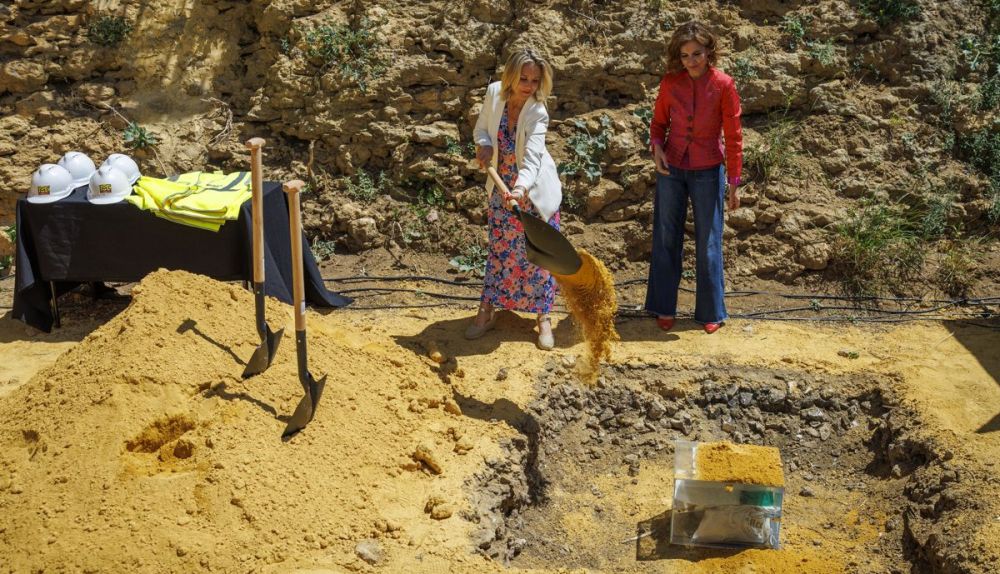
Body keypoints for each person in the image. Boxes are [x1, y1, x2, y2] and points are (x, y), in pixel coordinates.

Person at [646, 21, 743, 334]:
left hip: (708, 168)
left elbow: (734, 135)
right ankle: (663, 306)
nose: (692, 60)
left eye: (697, 53)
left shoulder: (724, 84)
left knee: (709, 240)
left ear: (709, 52)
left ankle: (710, 310)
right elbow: (658, 125)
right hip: (671, 167)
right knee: (665, 236)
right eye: (685, 55)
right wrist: (657, 148)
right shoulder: (670, 82)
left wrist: (734, 184)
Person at [466, 48, 563, 350]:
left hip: (530, 190)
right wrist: (484, 146)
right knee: (500, 252)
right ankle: (487, 311)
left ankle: (543, 318)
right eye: (523, 78)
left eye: (535, 80)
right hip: (500, 188)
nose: (528, 85)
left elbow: (533, 159)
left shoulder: (538, 111)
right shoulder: (495, 93)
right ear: (511, 75)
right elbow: (482, 128)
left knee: (538, 255)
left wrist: (519, 190)